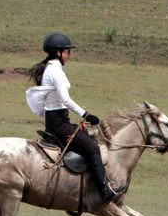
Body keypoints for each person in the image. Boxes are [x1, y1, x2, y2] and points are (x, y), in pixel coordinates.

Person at [26, 32, 123, 203]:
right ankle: (104, 191)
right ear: (58, 52)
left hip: (58, 120)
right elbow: (65, 100)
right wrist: (86, 115)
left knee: (87, 143)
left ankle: (78, 191)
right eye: (67, 51)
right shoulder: (55, 71)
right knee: (93, 149)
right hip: (59, 123)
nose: (69, 55)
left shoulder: (53, 68)